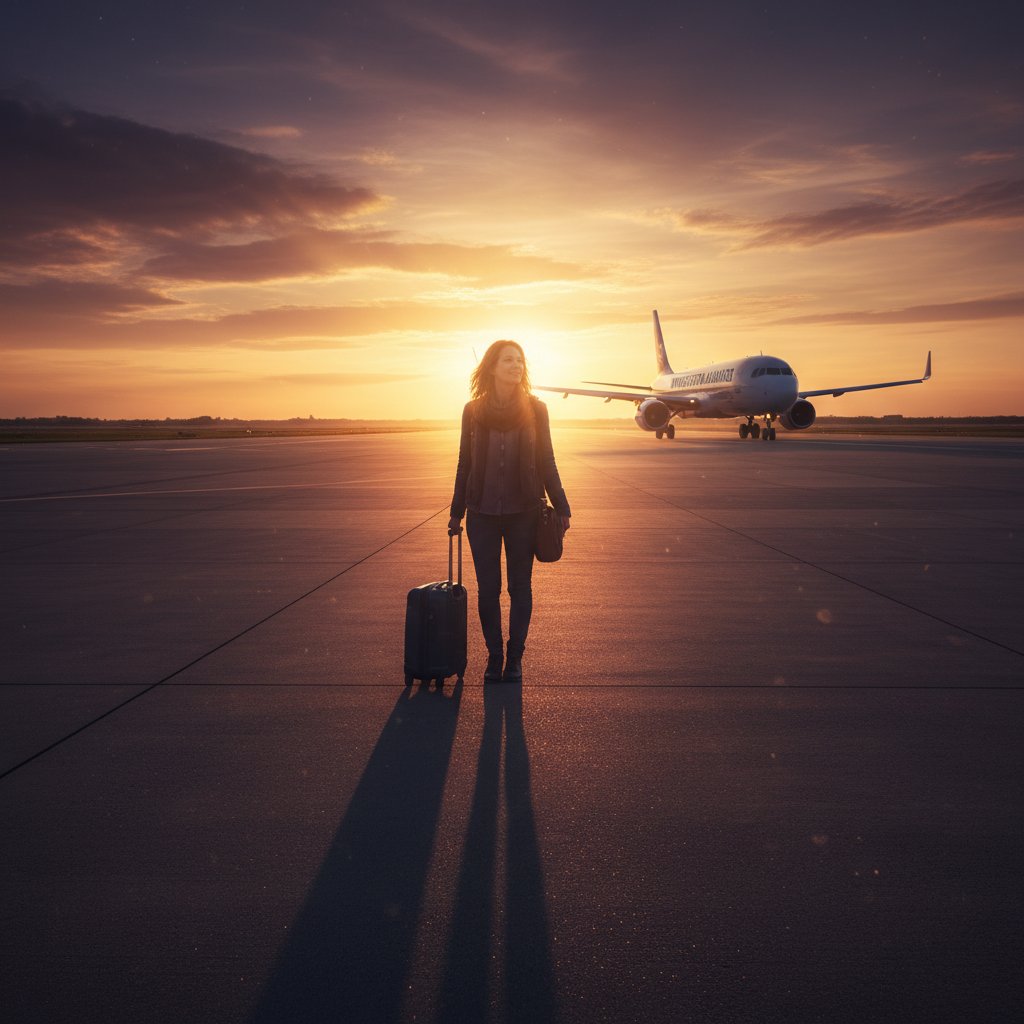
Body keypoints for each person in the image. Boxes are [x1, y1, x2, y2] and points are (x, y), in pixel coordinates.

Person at [448, 340, 571, 684]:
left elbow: (547, 460)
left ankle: (515, 658)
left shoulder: (537, 409)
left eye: (520, 360)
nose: (516, 366)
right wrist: (456, 512)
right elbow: (464, 462)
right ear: (492, 367)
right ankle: (494, 656)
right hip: (481, 514)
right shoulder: (472, 411)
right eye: (508, 360)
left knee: (521, 587)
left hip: (524, 513)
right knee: (488, 589)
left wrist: (561, 505)